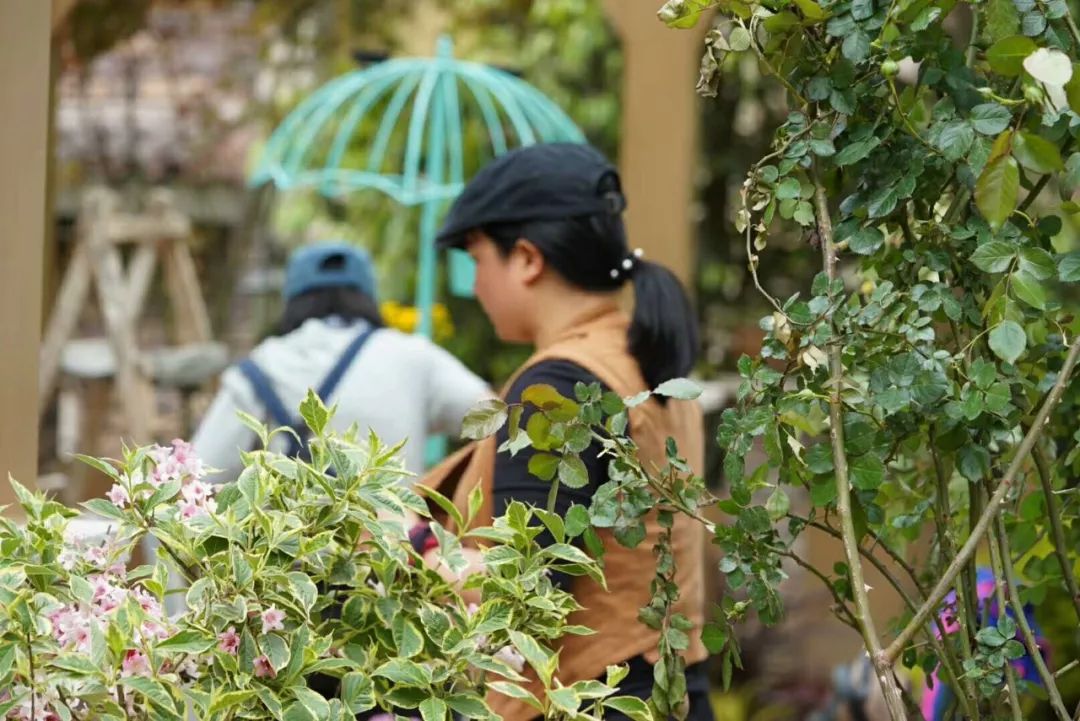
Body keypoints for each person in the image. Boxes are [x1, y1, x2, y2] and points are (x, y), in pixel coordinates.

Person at [412, 143, 713, 721]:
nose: (476, 285)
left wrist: (411, 545)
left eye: (478, 260)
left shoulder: (560, 383)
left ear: (527, 259)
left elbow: (526, 591)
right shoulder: (637, 362)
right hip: (671, 692)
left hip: (594, 700)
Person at [191, 241, 491, 479]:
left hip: (291, 540)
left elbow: (201, 473)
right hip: (398, 538)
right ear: (367, 296)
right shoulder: (414, 356)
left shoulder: (260, 366)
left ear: (293, 300)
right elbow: (496, 422)